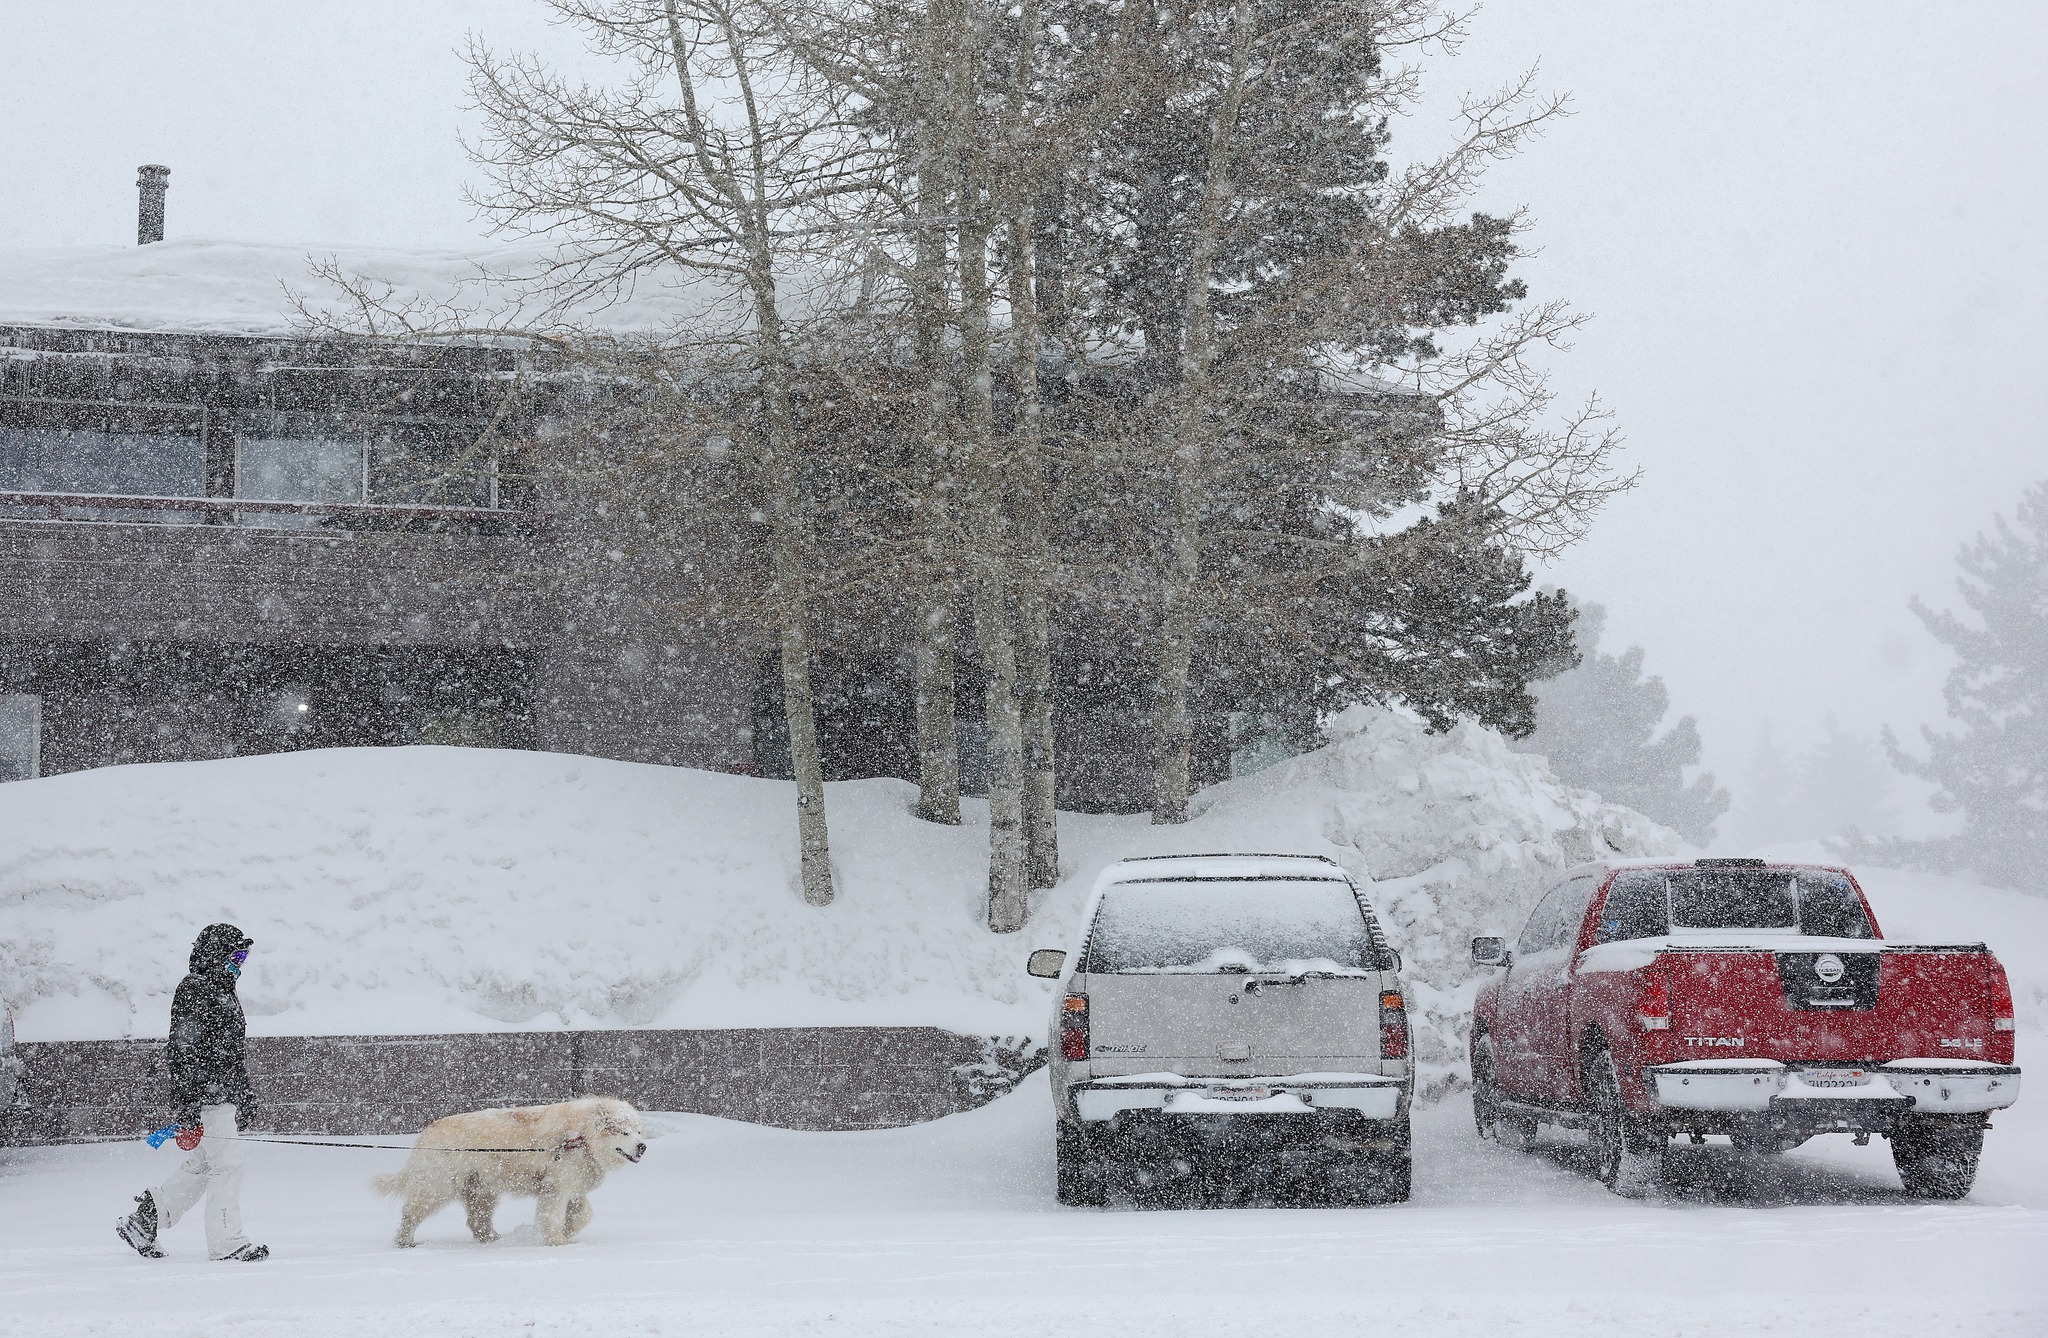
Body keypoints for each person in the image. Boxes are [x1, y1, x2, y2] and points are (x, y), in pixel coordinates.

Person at [116, 924, 269, 1261]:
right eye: (236, 955)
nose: (240, 963)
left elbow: (232, 1052)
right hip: (207, 1096)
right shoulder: (195, 989)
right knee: (227, 1166)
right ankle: (228, 1242)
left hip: (222, 1095)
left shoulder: (223, 988)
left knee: (203, 1165)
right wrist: (188, 1107)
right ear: (216, 954)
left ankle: (146, 1218)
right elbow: (183, 1050)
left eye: (244, 957)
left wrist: (244, 1094)